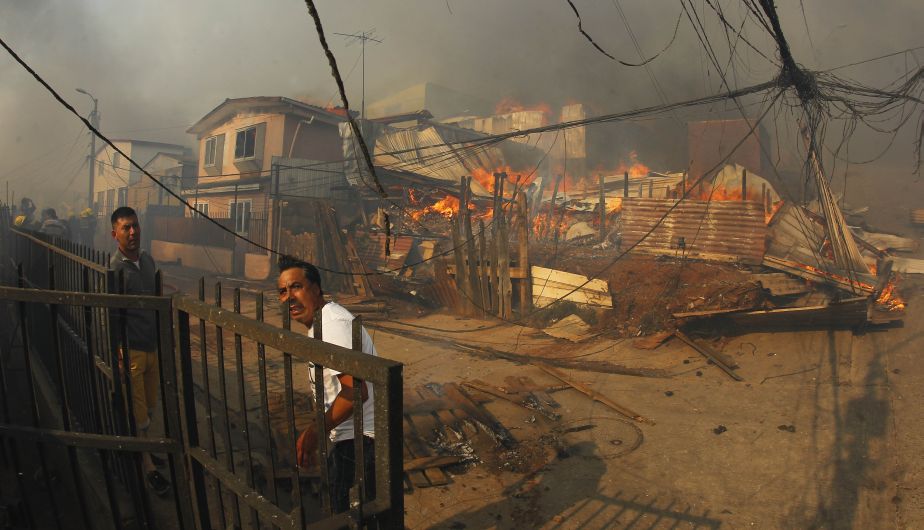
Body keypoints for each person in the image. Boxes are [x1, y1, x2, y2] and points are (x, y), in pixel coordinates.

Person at [277, 255, 377, 513]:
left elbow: (356, 391)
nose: (288, 297)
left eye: (296, 287)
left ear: (316, 288)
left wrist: (314, 433)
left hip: (361, 443)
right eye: (282, 291)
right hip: (353, 439)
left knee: (344, 517)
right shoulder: (322, 322)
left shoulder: (331, 324)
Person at [109, 206, 170, 497]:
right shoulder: (115, 270)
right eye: (125, 228)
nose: (132, 232)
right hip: (131, 349)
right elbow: (113, 315)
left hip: (151, 347)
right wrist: (118, 351)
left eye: (135, 226)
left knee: (148, 407)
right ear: (115, 234)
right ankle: (148, 467)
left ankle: (145, 449)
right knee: (138, 412)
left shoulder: (147, 262)